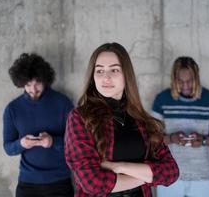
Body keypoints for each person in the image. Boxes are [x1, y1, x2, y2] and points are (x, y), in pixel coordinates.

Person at [64, 42, 179, 197]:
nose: (106, 77)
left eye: (114, 69)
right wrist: (147, 176)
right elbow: (92, 182)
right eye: (99, 71)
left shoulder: (143, 121)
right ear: (92, 77)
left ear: (126, 74)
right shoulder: (80, 118)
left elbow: (171, 171)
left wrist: (120, 167)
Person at [152, 56, 209, 197]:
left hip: (201, 174)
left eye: (190, 81)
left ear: (196, 78)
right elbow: (151, 138)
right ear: (174, 80)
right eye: (180, 81)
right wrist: (172, 138)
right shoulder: (161, 100)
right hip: (169, 173)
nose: (185, 86)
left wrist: (203, 140)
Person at [3, 53, 74, 197]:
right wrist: (22, 143)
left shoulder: (63, 103)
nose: (33, 90)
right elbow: (8, 148)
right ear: (21, 83)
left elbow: (76, 145)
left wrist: (53, 141)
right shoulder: (12, 109)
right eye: (28, 85)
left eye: (37, 83)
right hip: (27, 185)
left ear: (45, 80)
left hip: (60, 183)